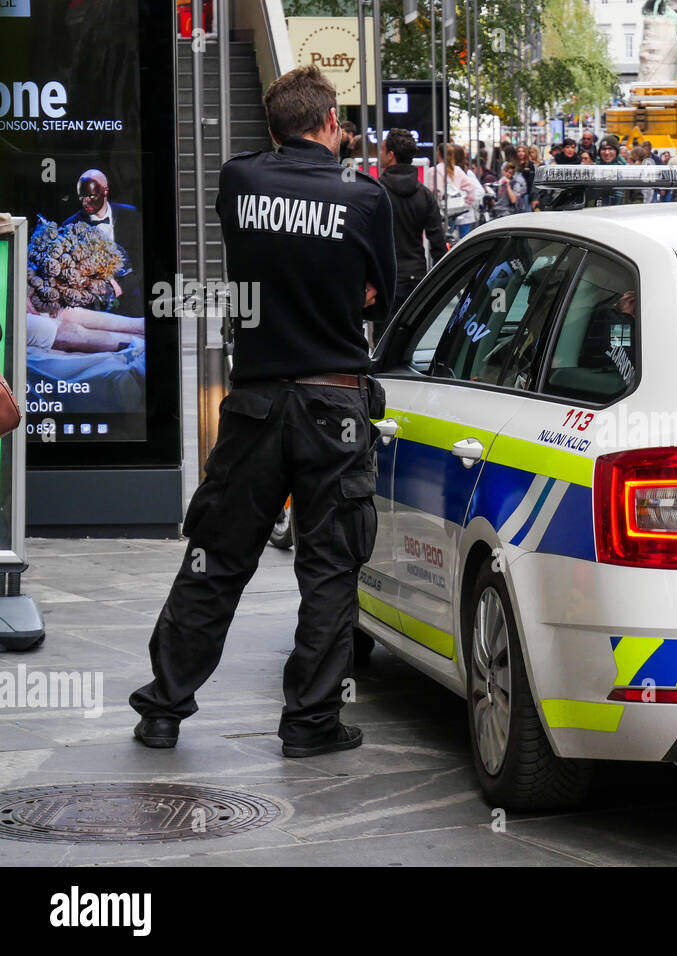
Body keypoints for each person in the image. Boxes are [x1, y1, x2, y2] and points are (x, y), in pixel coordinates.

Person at [128, 64, 396, 757]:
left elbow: (256, 161)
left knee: (215, 558)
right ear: (332, 123)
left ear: (274, 128)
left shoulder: (242, 180)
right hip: (334, 402)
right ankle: (310, 722)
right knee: (329, 568)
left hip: (254, 401)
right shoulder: (364, 197)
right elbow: (380, 293)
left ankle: (164, 707)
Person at [378, 127, 445, 322]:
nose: (380, 154)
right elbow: (438, 243)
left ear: (391, 155)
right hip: (416, 277)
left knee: (383, 342)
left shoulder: (376, 192)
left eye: (382, 149)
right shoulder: (425, 195)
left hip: (385, 278)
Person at [62, 169, 143, 317]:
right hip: (92, 309)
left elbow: (143, 262)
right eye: (82, 197)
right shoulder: (70, 226)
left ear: (105, 191)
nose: (85, 202)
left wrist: (119, 288)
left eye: (91, 195)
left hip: (131, 306)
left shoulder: (132, 217)